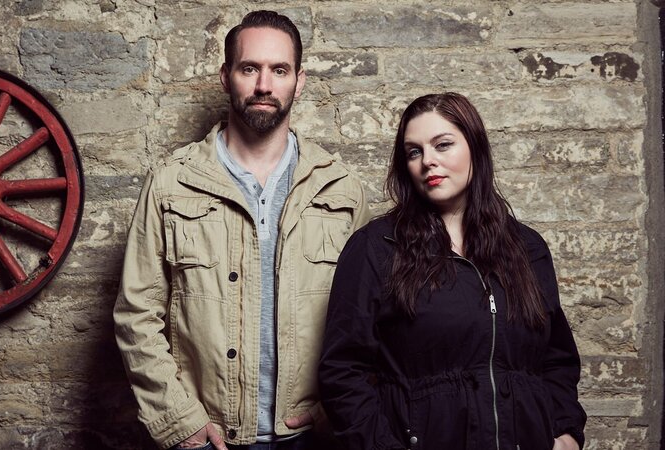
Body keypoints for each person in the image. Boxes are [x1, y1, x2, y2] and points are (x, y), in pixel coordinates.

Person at [114, 10, 370, 450]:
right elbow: (137, 313)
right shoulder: (172, 183)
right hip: (210, 436)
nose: (264, 85)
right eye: (249, 68)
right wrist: (179, 419)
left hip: (312, 436)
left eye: (279, 70)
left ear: (299, 80)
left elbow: (371, 322)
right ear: (226, 76)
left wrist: (335, 408)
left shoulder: (341, 189)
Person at [318, 92, 586, 450]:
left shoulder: (527, 247)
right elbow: (342, 373)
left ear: (475, 147)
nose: (428, 161)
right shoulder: (376, 248)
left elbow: (557, 357)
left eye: (442, 145)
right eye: (414, 151)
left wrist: (566, 433)